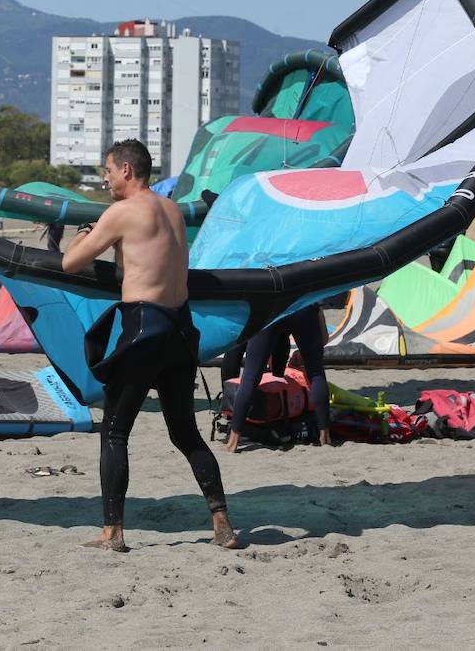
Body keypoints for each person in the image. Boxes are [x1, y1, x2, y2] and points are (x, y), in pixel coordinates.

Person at [62, 139, 235, 552]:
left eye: (107, 170)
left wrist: (84, 233)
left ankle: (112, 533)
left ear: (126, 170)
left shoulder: (121, 212)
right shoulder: (172, 210)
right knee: (186, 434)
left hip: (144, 328)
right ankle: (223, 524)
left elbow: (71, 262)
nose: (104, 179)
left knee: (115, 433)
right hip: (181, 330)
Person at [221, 305, 332, 452]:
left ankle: (233, 441)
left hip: (271, 307)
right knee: (316, 373)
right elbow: (324, 338)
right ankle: (325, 435)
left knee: (250, 377)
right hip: (303, 307)